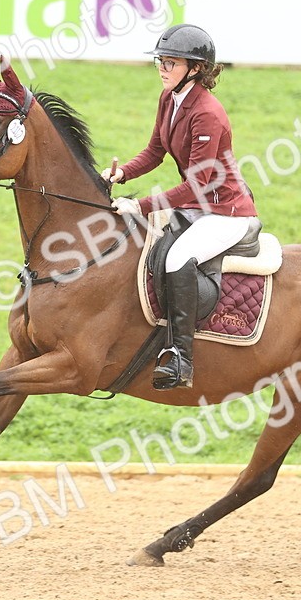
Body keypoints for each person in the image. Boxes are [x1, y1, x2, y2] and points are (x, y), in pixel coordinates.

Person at [102, 24, 259, 390]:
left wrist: (141, 205)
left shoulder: (208, 113)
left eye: (170, 62)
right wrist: (122, 173)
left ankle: (181, 358)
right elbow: (154, 151)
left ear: (196, 68)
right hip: (198, 206)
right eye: (160, 61)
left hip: (225, 212)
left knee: (176, 259)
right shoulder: (169, 98)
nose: (162, 68)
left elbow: (198, 184)